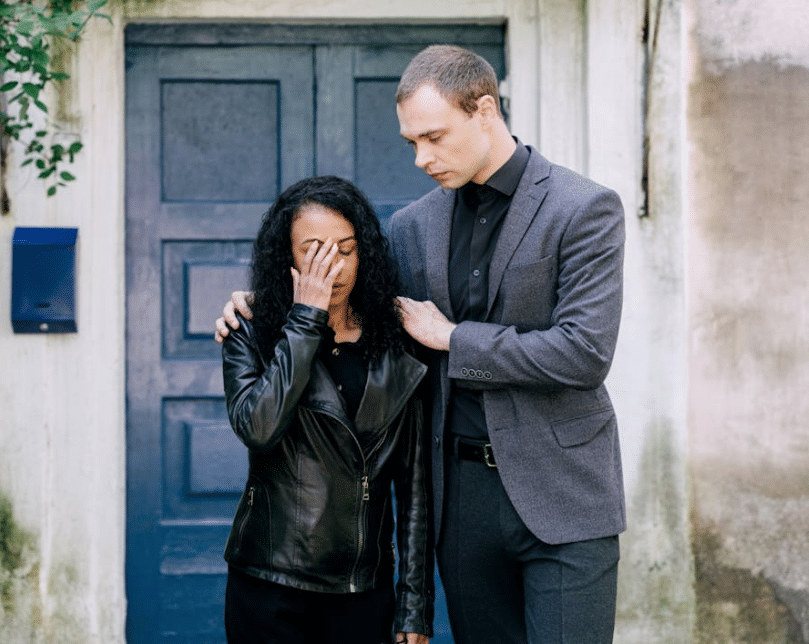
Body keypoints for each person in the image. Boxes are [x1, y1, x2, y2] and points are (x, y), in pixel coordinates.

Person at [218, 45, 625, 644]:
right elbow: (355, 304)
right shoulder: (410, 227)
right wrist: (255, 304)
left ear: (484, 110)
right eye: (412, 141)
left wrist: (455, 338)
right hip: (457, 501)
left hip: (562, 491)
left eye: (433, 137)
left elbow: (585, 352)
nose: (420, 158)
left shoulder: (583, 208)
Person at [220, 175, 433, 644]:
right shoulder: (249, 333)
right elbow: (258, 426)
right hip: (270, 584)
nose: (331, 267)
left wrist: (414, 605)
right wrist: (305, 319)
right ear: (285, 256)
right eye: (312, 250)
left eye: (345, 249)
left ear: (365, 254)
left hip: (361, 590)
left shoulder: (398, 344)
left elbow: (414, 486)